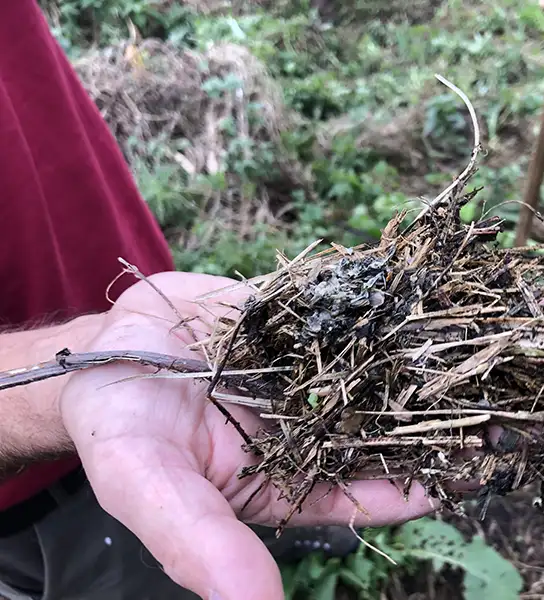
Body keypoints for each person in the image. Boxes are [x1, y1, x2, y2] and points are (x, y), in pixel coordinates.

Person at [0, 2, 438, 599]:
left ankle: (297, 525)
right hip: (43, 490)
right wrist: (62, 388)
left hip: (163, 322)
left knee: (278, 467)